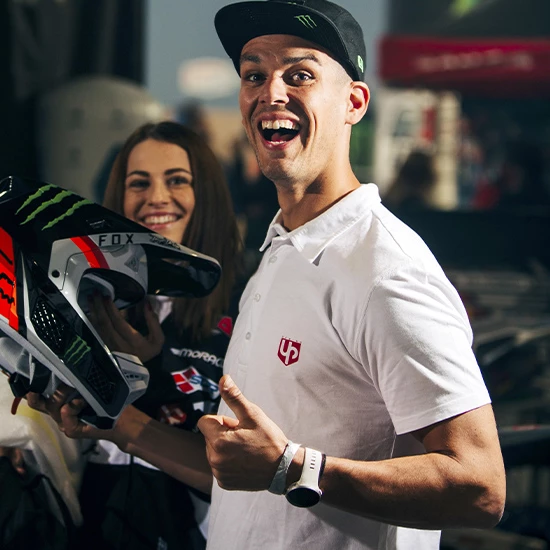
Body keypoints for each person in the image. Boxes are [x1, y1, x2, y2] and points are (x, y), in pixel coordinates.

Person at [29, 2, 506, 549]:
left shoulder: (385, 270)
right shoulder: (280, 254)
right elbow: (239, 476)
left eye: (300, 75)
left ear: (354, 103)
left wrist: (293, 468)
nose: (271, 92)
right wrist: (114, 421)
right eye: (254, 75)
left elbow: (480, 487)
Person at [75, 120, 242, 549]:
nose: (157, 197)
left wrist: (151, 373)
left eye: (177, 180)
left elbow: (245, 472)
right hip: (93, 517)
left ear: (206, 194)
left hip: (193, 526)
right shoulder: (88, 294)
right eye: (139, 183)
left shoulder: (247, 303)